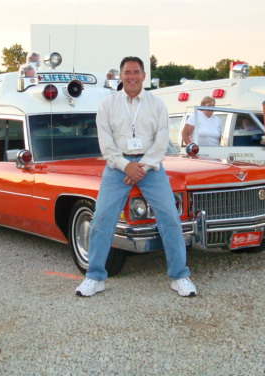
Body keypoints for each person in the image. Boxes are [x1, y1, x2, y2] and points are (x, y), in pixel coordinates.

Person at [75, 56, 196, 298]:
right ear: (120, 76)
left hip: (151, 167)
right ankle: (95, 277)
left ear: (143, 76)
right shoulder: (107, 105)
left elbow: (162, 139)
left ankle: (180, 276)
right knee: (101, 220)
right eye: (127, 72)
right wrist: (124, 165)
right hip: (116, 167)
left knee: (170, 219)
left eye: (137, 72)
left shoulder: (157, 104)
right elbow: (106, 143)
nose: (132, 76)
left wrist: (142, 166)